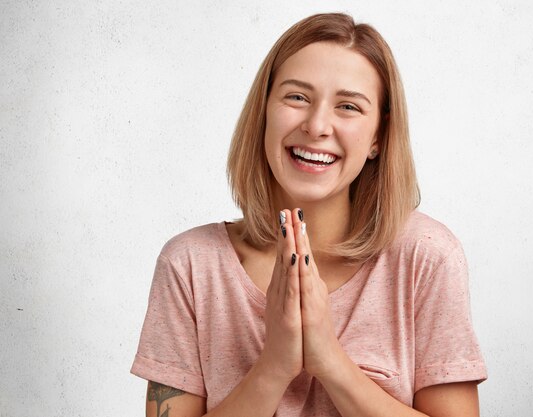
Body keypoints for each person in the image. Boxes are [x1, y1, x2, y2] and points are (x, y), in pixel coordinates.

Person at [131, 12, 487, 417]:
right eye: (297, 97)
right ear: (264, 111)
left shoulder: (428, 257)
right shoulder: (189, 265)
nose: (317, 125)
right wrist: (274, 366)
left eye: (349, 106)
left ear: (378, 137)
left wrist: (328, 359)